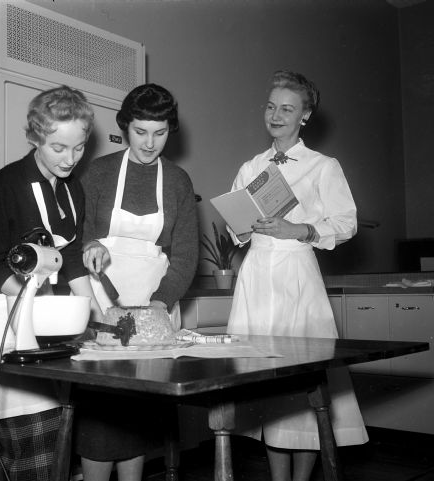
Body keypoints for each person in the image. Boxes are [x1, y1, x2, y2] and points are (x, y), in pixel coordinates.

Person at [226, 70, 368, 481]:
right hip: (256, 274)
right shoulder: (251, 166)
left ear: (304, 115)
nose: (276, 115)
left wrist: (300, 230)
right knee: (264, 379)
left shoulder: (324, 166)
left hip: (297, 273)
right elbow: (238, 229)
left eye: (287, 108)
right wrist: (242, 226)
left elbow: (346, 222)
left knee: (303, 375)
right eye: (271, 106)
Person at [0, 85, 101, 481]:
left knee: (53, 448)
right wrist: (36, 302)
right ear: (35, 138)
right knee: (25, 448)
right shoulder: (3, 186)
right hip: (7, 323)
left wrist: (96, 311)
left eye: (78, 148)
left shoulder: (72, 187)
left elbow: (72, 256)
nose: (70, 159)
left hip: (47, 327)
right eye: (59, 148)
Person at [75, 83, 199, 481]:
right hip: (100, 295)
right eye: (140, 131)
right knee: (102, 404)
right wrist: (91, 249)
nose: (150, 143)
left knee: (141, 404)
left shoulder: (178, 181)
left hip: (156, 302)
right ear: (125, 127)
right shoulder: (99, 172)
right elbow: (79, 234)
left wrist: (161, 302)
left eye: (160, 133)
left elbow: (184, 254)